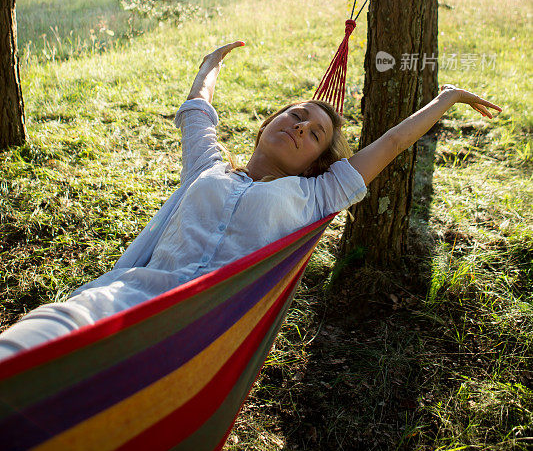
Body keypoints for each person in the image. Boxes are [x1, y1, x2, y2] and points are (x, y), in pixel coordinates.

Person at [0, 41, 501, 360]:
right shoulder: (208, 168)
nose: (302, 124)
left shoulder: (316, 195)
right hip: (130, 297)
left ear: (316, 163)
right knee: (45, 332)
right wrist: (209, 65)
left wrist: (447, 98)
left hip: (208, 332)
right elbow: (199, 111)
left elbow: (390, 144)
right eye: (296, 114)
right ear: (268, 125)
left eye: (316, 132)